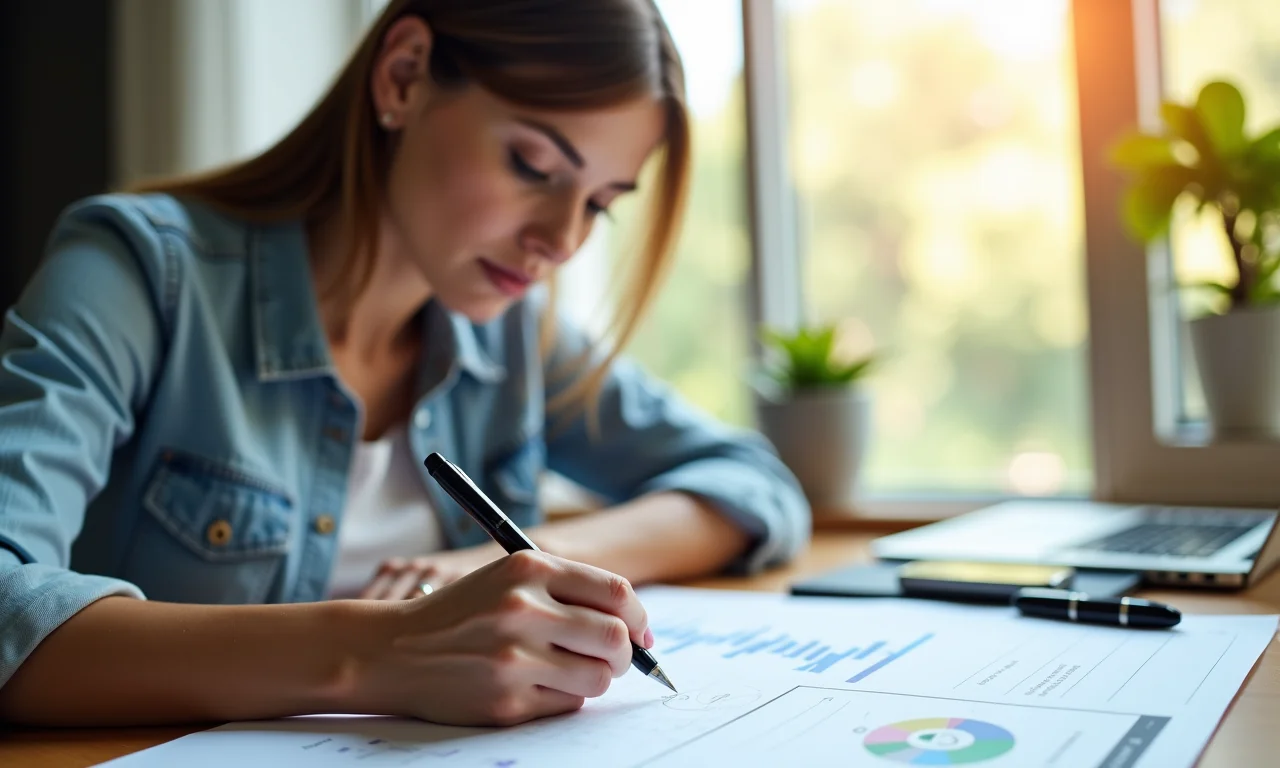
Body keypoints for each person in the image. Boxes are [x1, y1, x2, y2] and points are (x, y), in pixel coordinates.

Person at [0, 0, 809, 728]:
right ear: (403, 77)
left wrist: (502, 569)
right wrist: (387, 648)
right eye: (533, 164)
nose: (562, 240)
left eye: (599, 203)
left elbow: (753, 482)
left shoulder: (512, 334)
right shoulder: (138, 273)